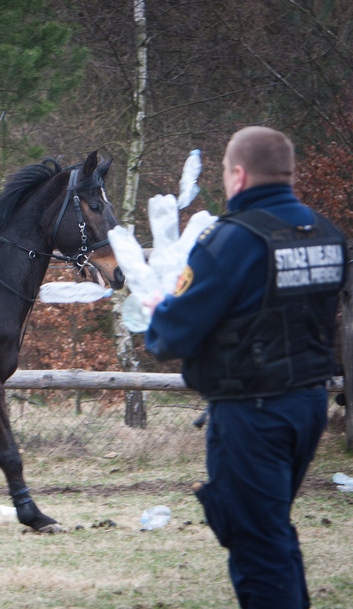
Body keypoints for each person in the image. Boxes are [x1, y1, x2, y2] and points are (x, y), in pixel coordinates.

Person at [144, 126, 346, 609]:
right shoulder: (327, 234)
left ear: (238, 174)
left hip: (253, 413)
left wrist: (160, 308)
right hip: (308, 406)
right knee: (272, 532)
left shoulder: (232, 240)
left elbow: (170, 336)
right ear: (289, 173)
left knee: (257, 546)